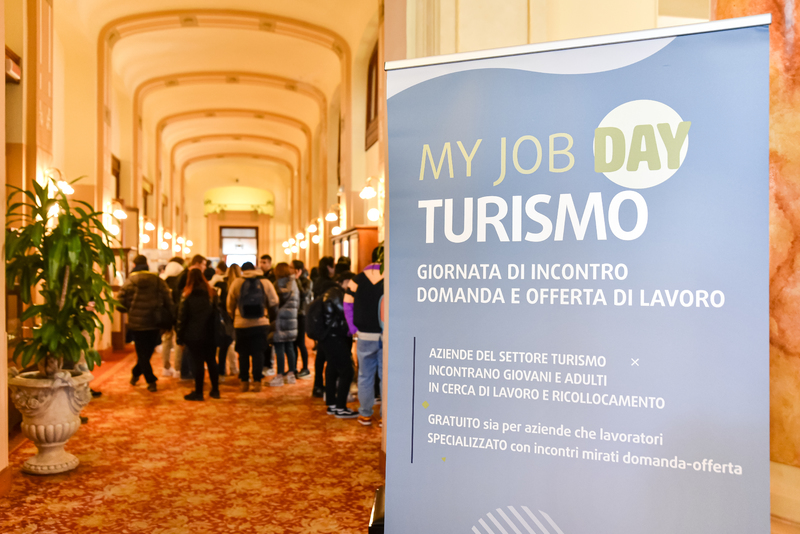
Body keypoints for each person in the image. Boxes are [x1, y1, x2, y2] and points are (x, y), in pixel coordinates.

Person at [118, 255, 173, 392]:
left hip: (137, 323)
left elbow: (119, 304)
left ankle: (136, 373)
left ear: (134, 265)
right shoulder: (157, 280)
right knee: (147, 352)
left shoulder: (129, 282)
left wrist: (130, 310)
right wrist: (171, 318)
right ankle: (151, 380)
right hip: (154, 322)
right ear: (147, 264)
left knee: (143, 353)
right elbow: (168, 300)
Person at [345, 247, 384, 426]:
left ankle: (365, 414)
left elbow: (347, 305)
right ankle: (385, 416)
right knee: (386, 376)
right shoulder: (392, 277)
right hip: (386, 335)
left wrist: (353, 328)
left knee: (365, 376)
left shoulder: (357, 279)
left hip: (364, 335)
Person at [227, 261, 279, 392]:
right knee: (258, 353)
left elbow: (230, 303)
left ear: (243, 270)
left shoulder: (237, 282)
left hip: (241, 323)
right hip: (261, 323)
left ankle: (244, 382)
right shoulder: (265, 282)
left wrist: (234, 317)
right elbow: (274, 301)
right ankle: (257, 382)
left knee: (243, 353)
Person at [176, 269, 220, 401]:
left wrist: (179, 337)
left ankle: (199, 392)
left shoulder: (187, 295)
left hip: (193, 334)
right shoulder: (211, 294)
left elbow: (182, 318)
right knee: (212, 361)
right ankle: (215, 390)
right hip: (210, 332)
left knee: (198, 363)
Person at [319, 272, 358, 418]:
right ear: (345, 281)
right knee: (347, 371)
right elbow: (345, 314)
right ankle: (341, 407)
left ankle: (332, 404)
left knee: (332, 368)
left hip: (329, 337)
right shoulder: (337, 294)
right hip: (336, 337)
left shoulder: (331, 292)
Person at [174, 255, 208, 379]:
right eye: (204, 264)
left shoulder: (185, 274)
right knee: (188, 347)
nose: (205, 267)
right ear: (198, 263)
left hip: (187, 316)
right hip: (189, 316)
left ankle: (186, 371)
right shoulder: (187, 275)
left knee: (188, 347)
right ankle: (186, 371)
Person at [269, 262, 300, 387]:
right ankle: (291, 374)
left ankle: (280, 375)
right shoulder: (294, 284)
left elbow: (273, 303)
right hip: (292, 319)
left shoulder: (276, 285)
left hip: (279, 319)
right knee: (290, 347)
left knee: (279, 348)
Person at [311, 256, 336, 398]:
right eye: (333, 266)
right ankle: (327, 387)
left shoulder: (317, 282)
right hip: (328, 324)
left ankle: (318, 385)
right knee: (329, 357)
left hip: (318, 322)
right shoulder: (329, 284)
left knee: (320, 356)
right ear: (328, 267)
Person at [159, 258, 185, 377]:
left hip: (166, 315)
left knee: (166, 341)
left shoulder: (163, 281)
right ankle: (178, 369)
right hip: (178, 314)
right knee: (178, 341)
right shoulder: (181, 282)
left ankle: (166, 367)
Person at [292, 260, 312, 379]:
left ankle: (305, 368)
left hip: (302, 314)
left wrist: (297, 279)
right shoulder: (292, 280)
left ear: (298, 270)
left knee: (300, 342)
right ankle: (293, 368)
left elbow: (303, 294)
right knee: (293, 343)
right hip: (294, 314)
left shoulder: (307, 281)